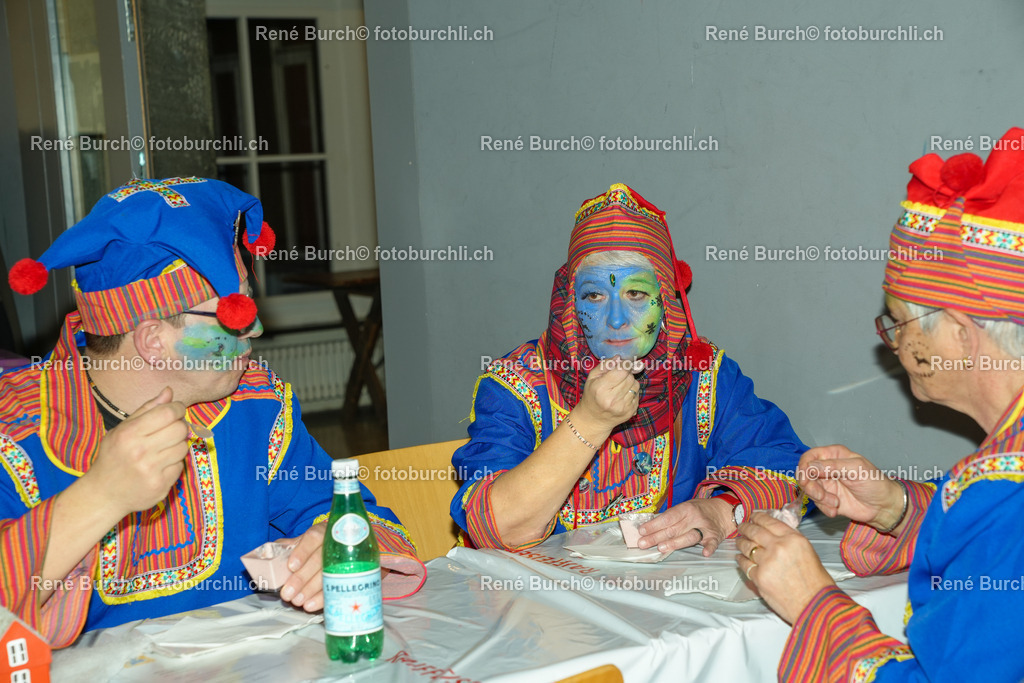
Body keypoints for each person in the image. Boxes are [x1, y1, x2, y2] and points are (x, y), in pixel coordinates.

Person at [0, 177, 425, 648]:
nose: (258, 330)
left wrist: (334, 543)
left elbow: (366, 519)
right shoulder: (15, 433)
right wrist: (101, 495)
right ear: (153, 341)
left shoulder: (255, 407)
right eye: (234, 318)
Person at [735, 128, 1024, 682]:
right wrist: (896, 508)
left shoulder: (1007, 499)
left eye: (898, 322)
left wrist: (814, 605)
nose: (892, 343)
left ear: (962, 335)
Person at [450, 183, 807, 555]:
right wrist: (589, 422)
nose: (616, 319)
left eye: (636, 295)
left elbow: (792, 469)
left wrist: (723, 510)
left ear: (667, 298)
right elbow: (497, 528)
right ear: (569, 301)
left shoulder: (704, 376)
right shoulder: (517, 385)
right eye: (594, 295)